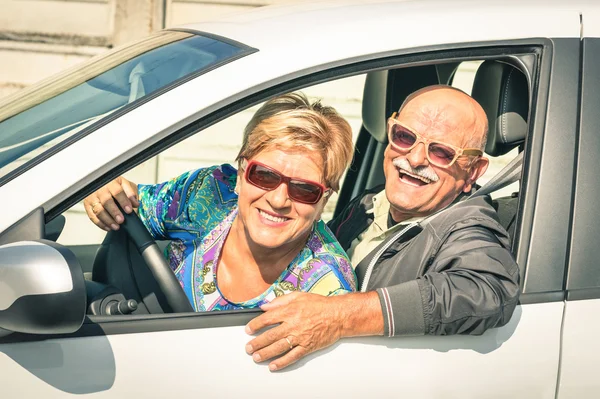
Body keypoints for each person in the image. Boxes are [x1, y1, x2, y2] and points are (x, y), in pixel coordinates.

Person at [244, 85, 520, 371]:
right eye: (405, 137)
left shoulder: (468, 226)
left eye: (441, 152)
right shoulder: (367, 204)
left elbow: (486, 290)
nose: (414, 159)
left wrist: (338, 316)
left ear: (473, 171)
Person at [84, 93, 357, 311]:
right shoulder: (209, 192)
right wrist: (104, 193)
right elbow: (131, 201)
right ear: (240, 174)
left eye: (304, 190)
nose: (278, 199)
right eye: (263, 175)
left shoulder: (327, 291)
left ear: (324, 200)